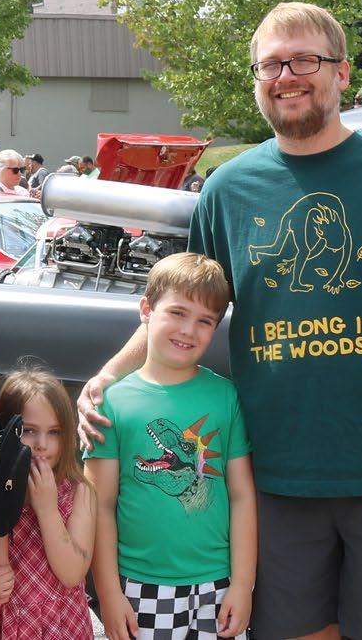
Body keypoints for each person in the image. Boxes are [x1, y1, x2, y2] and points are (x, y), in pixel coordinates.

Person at [77, 3, 362, 640]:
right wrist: (106, 377)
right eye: (271, 65)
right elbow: (183, 306)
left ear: (341, 73)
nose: (287, 77)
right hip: (270, 472)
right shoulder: (227, 190)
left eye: (305, 61)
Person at [86, 252, 256, 640]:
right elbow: (99, 505)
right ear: (147, 309)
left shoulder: (225, 397)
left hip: (218, 585)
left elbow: (242, 496)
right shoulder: (111, 402)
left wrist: (243, 585)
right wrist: (108, 593)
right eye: (177, 313)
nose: (188, 330)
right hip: (140, 585)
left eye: (205, 321)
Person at [0, 365, 97, 640]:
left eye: (55, 432)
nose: (42, 444)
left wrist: (47, 509)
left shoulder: (78, 493)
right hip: (5, 623)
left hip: (61, 626)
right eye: (28, 430)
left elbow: (72, 574)